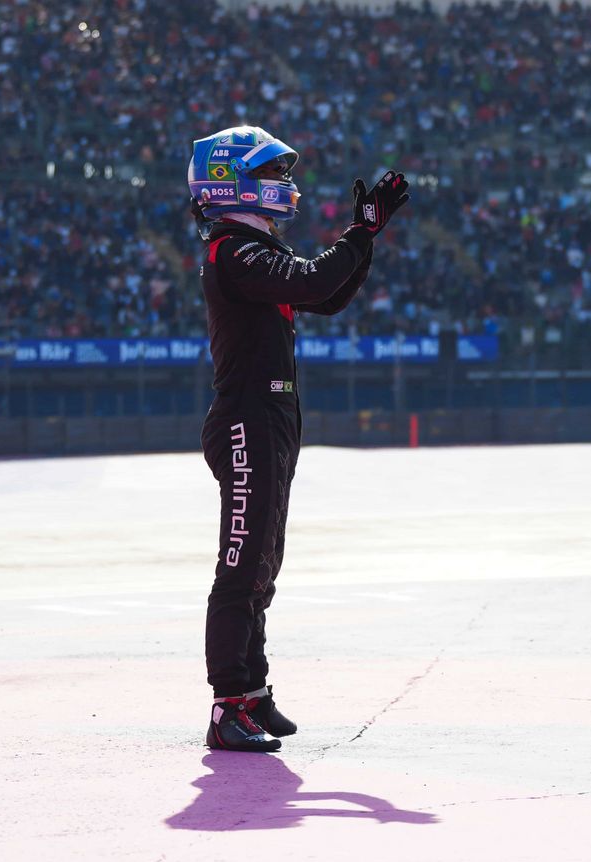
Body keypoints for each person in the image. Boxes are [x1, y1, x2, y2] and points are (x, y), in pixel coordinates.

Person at [188, 125, 409, 752]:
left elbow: (327, 298)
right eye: (268, 175)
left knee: (262, 563)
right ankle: (227, 705)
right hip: (245, 421)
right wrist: (361, 231)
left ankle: (253, 694)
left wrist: (367, 236)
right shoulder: (231, 249)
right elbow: (314, 281)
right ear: (229, 181)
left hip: (271, 419)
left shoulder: (251, 246)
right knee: (240, 564)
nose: (283, 186)